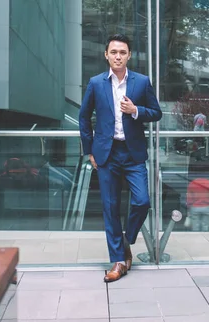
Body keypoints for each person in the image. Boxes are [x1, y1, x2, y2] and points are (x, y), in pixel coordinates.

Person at [79, 34, 162, 282]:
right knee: (110, 208)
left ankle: (125, 242)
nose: (118, 56)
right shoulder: (95, 83)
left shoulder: (141, 82)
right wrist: (89, 150)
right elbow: (84, 118)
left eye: (122, 52)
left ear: (129, 56)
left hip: (133, 152)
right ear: (106, 55)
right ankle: (117, 261)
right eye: (113, 52)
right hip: (107, 153)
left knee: (142, 201)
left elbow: (156, 113)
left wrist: (136, 110)